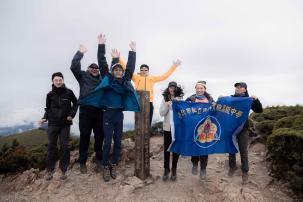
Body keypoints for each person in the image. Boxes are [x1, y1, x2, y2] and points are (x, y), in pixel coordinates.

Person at [81, 41, 139, 182]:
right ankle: (105, 166)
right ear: (113, 72)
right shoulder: (109, 79)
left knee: (118, 142)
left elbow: (130, 68)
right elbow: (102, 63)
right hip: (107, 114)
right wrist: (101, 46)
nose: (118, 71)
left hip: (119, 115)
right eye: (116, 70)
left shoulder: (125, 81)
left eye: (120, 69)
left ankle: (113, 164)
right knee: (107, 142)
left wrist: (132, 52)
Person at [70, 34, 106, 173]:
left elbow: (104, 65)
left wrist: (101, 46)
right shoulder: (83, 77)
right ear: (88, 69)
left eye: (96, 68)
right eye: (92, 67)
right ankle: (82, 162)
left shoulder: (103, 80)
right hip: (85, 111)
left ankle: (99, 160)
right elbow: (74, 67)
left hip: (99, 112)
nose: (95, 69)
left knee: (99, 137)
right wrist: (80, 53)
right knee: (84, 137)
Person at [119, 58, 181, 126]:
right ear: (140, 70)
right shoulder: (136, 77)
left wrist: (174, 66)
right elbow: (127, 69)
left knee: (148, 123)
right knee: (138, 122)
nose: (144, 71)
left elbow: (164, 76)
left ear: (148, 71)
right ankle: (138, 136)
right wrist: (119, 59)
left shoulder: (152, 78)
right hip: (139, 102)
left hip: (149, 102)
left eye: (145, 70)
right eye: (142, 70)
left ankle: (147, 136)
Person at [40, 72, 78, 181]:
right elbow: (47, 108)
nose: (58, 82)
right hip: (52, 123)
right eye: (56, 80)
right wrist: (44, 117)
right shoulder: (50, 94)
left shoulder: (69, 92)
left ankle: (63, 170)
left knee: (64, 146)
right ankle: (50, 170)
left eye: (60, 80)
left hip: (65, 124)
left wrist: (72, 115)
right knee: (52, 146)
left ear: (63, 80)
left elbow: (75, 104)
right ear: (52, 81)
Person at [227, 82, 263, 184]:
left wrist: (256, 100)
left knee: (243, 151)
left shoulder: (248, 100)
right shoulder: (231, 99)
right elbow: (221, 107)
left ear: (245, 89)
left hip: (243, 129)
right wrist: (220, 99)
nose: (238, 88)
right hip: (231, 129)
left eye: (240, 87)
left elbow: (259, 110)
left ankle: (245, 172)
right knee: (231, 150)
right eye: (236, 87)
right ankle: (232, 168)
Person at [185, 80, 214, 180]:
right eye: (197, 88)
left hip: (206, 128)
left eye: (201, 88)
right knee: (195, 147)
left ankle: (203, 170)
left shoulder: (210, 99)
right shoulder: (191, 99)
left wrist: (221, 100)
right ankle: (194, 163)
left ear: (205, 89)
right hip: (194, 127)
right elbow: (184, 109)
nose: (199, 90)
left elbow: (215, 110)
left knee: (204, 149)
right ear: (195, 89)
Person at [159, 81, 184, 181]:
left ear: (176, 89)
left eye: (174, 87)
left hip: (177, 128)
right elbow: (161, 113)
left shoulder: (181, 99)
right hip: (167, 128)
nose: (172, 89)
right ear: (168, 88)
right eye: (170, 87)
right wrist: (167, 104)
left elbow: (183, 113)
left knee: (176, 149)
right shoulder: (164, 99)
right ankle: (166, 169)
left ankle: (174, 169)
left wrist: (177, 104)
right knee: (166, 149)